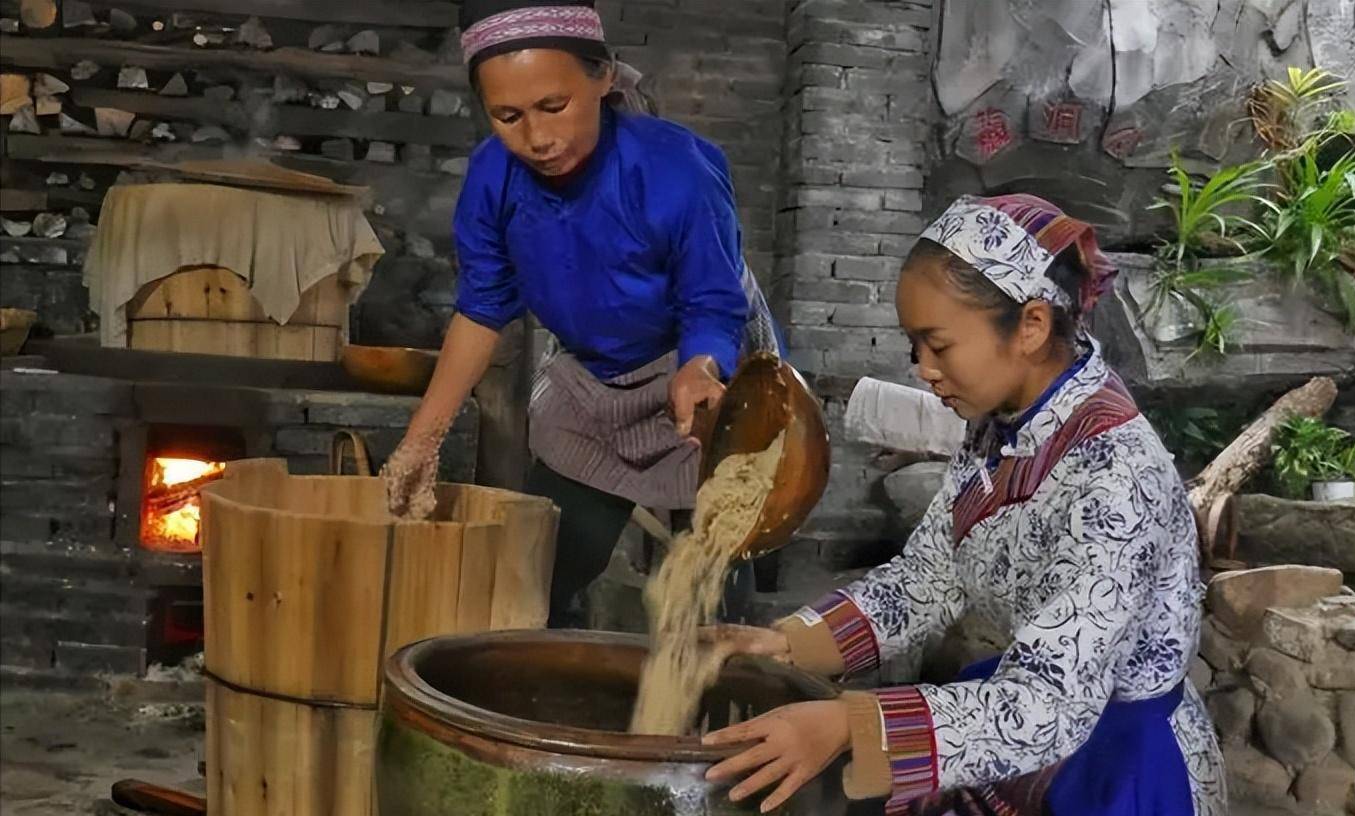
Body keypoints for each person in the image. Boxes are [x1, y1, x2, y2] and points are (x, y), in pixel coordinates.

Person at [701, 195, 1226, 816]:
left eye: (938, 346)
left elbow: (1048, 702)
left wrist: (849, 725)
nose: (923, 370)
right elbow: (930, 575)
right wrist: (787, 646)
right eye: (914, 346)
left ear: (1030, 327)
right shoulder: (1002, 425)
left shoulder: (1117, 477)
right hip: (1021, 723)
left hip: (1116, 766)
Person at [381, 0, 782, 628]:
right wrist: (421, 440)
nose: (537, 139)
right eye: (506, 116)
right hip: (594, 380)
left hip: (704, 364)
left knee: (712, 595)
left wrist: (701, 369)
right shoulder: (493, 179)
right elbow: (483, 309)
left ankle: (716, 712)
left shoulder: (677, 169)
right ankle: (547, 699)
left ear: (603, 78)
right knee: (542, 576)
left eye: (553, 106)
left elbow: (711, 302)